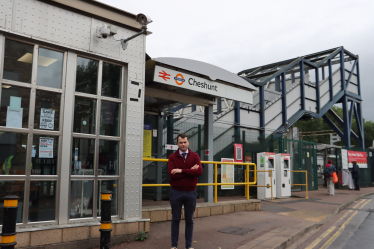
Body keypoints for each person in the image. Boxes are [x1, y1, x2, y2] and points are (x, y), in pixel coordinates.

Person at [168, 133, 203, 249]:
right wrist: (189, 171)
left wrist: (180, 171)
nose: (183, 144)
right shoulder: (172, 157)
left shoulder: (195, 156)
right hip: (176, 192)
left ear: (188, 142)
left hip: (191, 192)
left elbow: (199, 172)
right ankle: (174, 246)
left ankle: (189, 246)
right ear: (177, 144)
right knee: (175, 219)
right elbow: (172, 175)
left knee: (189, 220)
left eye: (184, 142)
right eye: (180, 142)